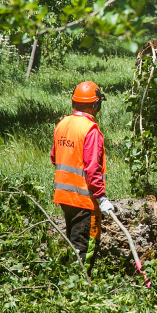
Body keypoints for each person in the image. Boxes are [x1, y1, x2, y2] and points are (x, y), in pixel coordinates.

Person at [50, 81, 114, 269]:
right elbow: (93, 168)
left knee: (73, 243)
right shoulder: (90, 130)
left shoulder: (62, 124)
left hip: (64, 197)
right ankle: (80, 289)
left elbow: (55, 157)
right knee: (84, 248)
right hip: (84, 201)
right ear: (95, 105)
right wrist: (101, 197)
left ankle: (70, 282)